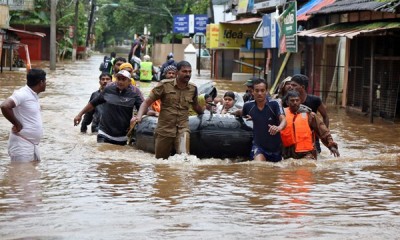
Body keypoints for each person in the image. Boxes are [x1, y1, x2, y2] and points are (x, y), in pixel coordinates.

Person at [135, 61, 204, 159]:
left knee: (184, 159)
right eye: (184, 71)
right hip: (164, 129)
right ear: (177, 72)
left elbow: (196, 106)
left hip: (182, 128)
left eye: (189, 72)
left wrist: (205, 115)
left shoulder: (193, 88)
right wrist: (139, 116)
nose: (187, 74)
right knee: (161, 161)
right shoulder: (164, 85)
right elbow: (146, 102)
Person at [74, 70, 144, 145]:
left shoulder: (134, 95)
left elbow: (143, 108)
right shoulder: (108, 91)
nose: (120, 82)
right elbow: (93, 104)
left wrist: (150, 113)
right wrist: (79, 115)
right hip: (104, 133)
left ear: (129, 81)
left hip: (122, 137)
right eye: (119, 79)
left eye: (123, 79)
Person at [234, 78, 287, 162]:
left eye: (262, 91)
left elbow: (283, 120)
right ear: (252, 91)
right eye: (257, 90)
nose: (260, 93)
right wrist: (229, 113)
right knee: (259, 167)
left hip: (276, 149)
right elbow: (241, 113)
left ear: (266, 91)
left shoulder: (275, 104)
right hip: (258, 147)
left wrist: (278, 128)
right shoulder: (248, 106)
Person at [1, 69, 47, 161]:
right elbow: (4, 106)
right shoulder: (22, 94)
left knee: (32, 174)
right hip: (21, 145)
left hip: (31, 144)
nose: (46, 83)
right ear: (41, 82)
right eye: (45, 81)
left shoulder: (33, 95)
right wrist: (17, 124)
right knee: (20, 174)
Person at [281, 90, 340, 159]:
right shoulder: (281, 115)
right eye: (292, 101)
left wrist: (331, 145)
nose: (295, 103)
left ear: (300, 101)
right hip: (287, 153)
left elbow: (323, 131)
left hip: (306, 153)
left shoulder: (309, 115)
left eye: (297, 100)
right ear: (287, 102)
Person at [289, 74, 329, 153]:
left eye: (294, 85)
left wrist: (323, 134)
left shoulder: (315, 100)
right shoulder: (288, 101)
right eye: (290, 85)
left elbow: (325, 117)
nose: (291, 87)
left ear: (302, 87)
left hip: (313, 138)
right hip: (295, 138)